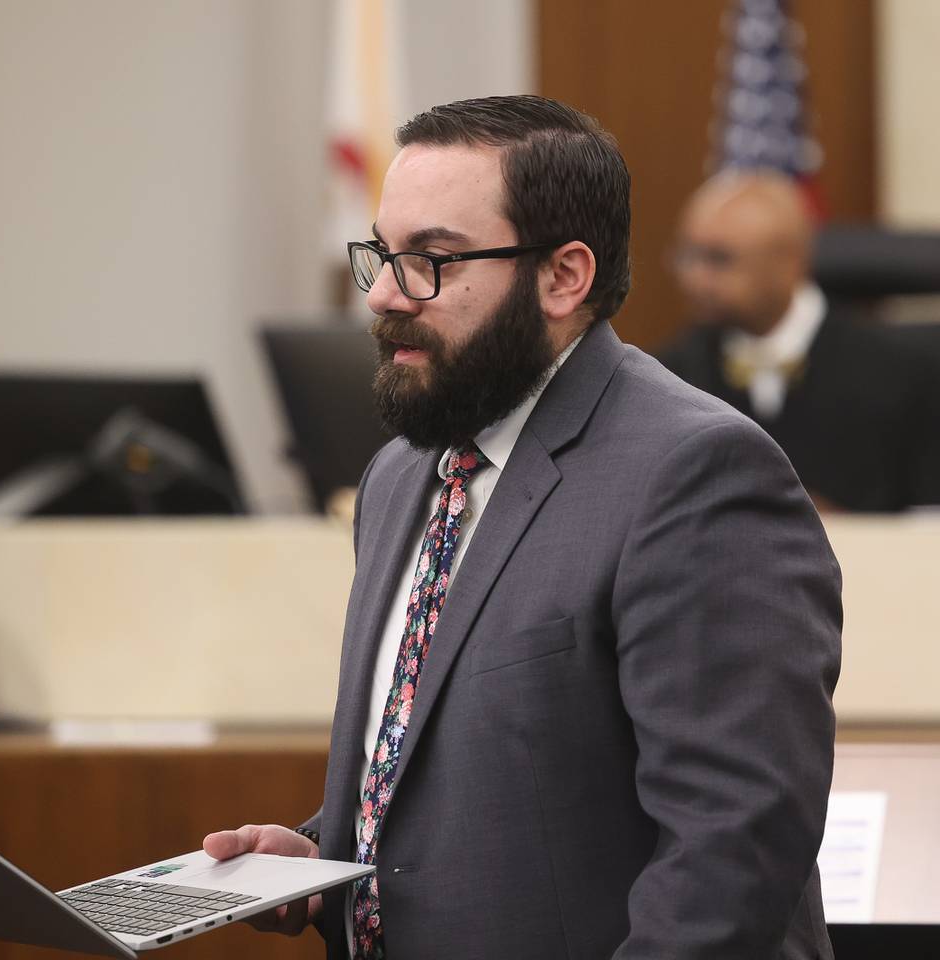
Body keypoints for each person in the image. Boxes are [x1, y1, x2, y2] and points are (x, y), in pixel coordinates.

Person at [204, 96, 842, 960]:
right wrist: (325, 859)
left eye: (431, 260)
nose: (385, 293)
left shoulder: (698, 475)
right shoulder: (402, 474)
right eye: (383, 255)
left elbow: (734, 851)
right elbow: (450, 766)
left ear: (563, 277)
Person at [659, 171, 940, 512]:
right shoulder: (668, 380)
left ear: (790, 263)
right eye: (687, 256)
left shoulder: (908, 377)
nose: (694, 278)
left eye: (719, 259)